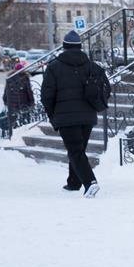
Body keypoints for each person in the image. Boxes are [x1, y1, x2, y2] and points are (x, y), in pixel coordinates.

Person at [41, 30, 103, 198]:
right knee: (78, 149)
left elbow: (47, 95)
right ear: (80, 47)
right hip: (88, 116)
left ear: (65, 47)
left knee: (75, 151)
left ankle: (90, 183)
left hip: (66, 117)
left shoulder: (54, 67)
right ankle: (73, 182)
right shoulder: (91, 65)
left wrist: (53, 114)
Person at [4, 62, 36, 127]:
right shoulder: (25, 77)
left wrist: (5, 101)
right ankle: (24, 128)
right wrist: (32, 101)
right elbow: (29, 91)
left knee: (13, 119)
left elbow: (6, 91)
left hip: (12, 103)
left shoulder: (10, 78)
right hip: (24, 101)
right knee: (25, 119)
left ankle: (14, 130)